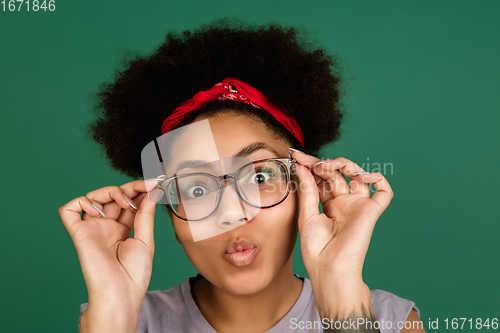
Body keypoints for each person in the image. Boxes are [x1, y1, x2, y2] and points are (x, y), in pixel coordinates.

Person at [59, 18, 424, 333]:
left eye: (261, 177)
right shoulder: (119, 321)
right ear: (164, 209)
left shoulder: (388, 321)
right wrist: (111, 306)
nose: (232, 213)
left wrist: (342, 294)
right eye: (197, 188)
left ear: (306, 183)